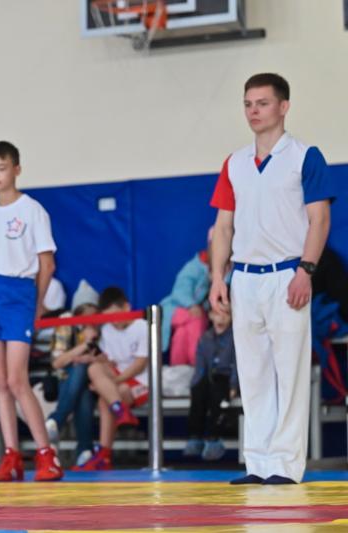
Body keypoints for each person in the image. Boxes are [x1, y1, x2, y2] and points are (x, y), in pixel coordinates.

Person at [209, 73, 334, 485]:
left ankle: (285, 465)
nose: (253, 111)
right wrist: (217, 278)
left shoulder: (304, 156)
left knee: (289, 372)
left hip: (287, 274)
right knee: (253, 373)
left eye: (262, 103)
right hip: (244, 277)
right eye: (248, 104)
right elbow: (223, 226)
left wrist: (306, 270)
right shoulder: (234, 162)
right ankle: (258, 463)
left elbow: (320, 219)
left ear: (283, 106)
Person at [0, 141, 62, 482]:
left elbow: (47, 263)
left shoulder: (32, 210)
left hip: (20, 292)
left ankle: (46, 453)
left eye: (1, 168)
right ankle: (11, 455)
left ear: (16, 169)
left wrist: (36, 303)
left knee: (16, 379)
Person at [78, 287, 148, 471]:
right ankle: (121, 410)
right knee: (94, 368)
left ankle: (104, 454)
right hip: (117, 377)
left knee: (105, 399)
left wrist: (109, 384)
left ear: (127, 307)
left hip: (141, 381)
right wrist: (90, 350)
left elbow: (139, 365)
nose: (114, 322)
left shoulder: (142, 326)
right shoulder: (108, 329)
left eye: (116, 315)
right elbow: (108, 362)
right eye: (109, 318)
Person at [44, 303, 100, 469]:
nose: (91, 320)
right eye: (87, 315)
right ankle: (85, 450)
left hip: (95, 382)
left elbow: (107, 360)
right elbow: (57, 363)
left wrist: (87, 357)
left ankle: (56, 420)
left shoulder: (102, 329)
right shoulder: (66, 324)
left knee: (82, 372)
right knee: (81, 382)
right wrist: (85, 345)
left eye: (95, 315)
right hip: (65, 380)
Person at [184, 306, 238, 461]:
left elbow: (238, 364)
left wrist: (234, 385)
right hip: (209, 378)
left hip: (226, 378)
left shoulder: (236, 336)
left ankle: (214, 438)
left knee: (218, 393)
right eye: (217, 314)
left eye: (226, 314)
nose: (221, 318)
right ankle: (195, 436)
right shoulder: (205, 338)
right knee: (199, 391)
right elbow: (200, 366)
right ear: (210, 316)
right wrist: (195, 385)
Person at [159, 232, 212, 366]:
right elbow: (179, 292)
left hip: (198, 313)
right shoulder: (194, 267)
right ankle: (197, 366)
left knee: (182, 333)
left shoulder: (226, 267)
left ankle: (181, 370)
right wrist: (191, 305)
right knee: (196, 319)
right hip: (174, 309)